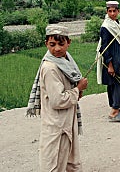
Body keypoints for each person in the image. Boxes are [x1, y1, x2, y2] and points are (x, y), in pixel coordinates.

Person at [27, 25, 88, 171]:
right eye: (52, 44)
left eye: (61, 44)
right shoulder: (50, 68)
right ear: (46, 44)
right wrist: (78, 89)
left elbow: (67, 89)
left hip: (67, 119)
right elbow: (58, 100)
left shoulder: (67, 61)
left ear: (69, 42)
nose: (57, 49)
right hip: (56, 123)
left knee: (69, 158)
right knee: (54, 162)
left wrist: (75, 90)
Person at [96, 1, 120, 122]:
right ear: (107, 11)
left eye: (114, 11)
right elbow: (104, 47)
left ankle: (117, 107)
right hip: (112, 58)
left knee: (117, 83)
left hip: (118, 56)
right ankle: (114, 112)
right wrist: (109, 65)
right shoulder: (106, 27)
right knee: (118, 84)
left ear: (118, 11)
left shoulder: (116, 23)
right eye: (110, 11)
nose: (112, 13)